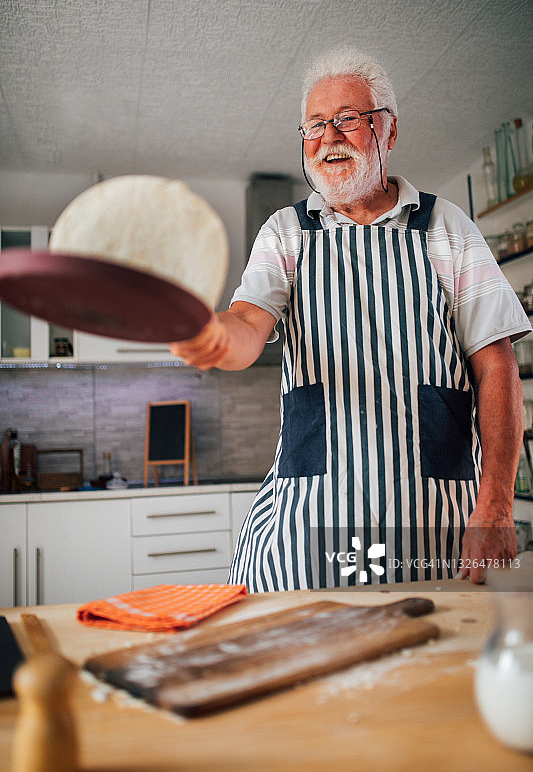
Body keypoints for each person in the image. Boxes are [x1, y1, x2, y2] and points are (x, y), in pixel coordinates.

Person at [170, 46, 531, 591]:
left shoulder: (446, 227)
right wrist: (213, 336)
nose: (329, 137)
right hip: (310, 526)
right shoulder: (286, 233)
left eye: (347, 119)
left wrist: (498, 506)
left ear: (388, 131)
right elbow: (247, 327)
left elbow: (497, 367)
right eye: (314, 125)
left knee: (435, 669)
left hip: (436, 525)